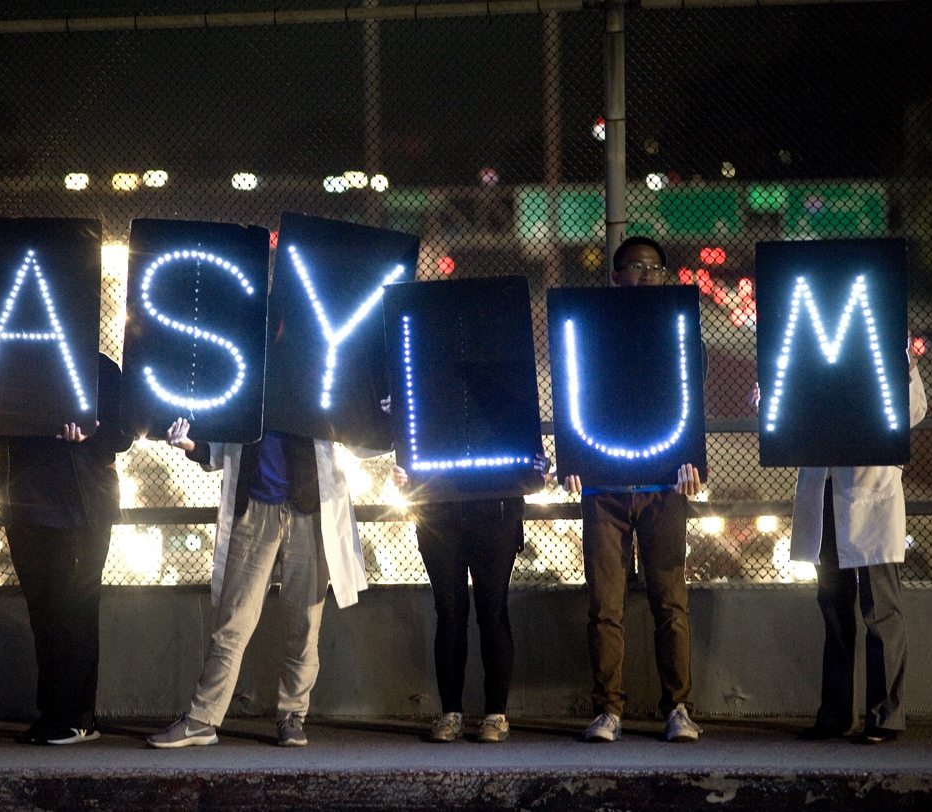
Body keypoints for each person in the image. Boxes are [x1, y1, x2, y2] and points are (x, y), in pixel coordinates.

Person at [147, 419, 381, 748]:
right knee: (232, 623)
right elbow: (220, 445)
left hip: (310, 511)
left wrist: (388, 416)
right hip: (254, 510)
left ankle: (292, 716)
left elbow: (360, 437)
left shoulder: (314, 377)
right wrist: (189, 444)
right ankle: (202, 720)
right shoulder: (254, 377)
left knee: (305, 623)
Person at [0, 325, 132, 745]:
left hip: (80, 506)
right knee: (45, 611)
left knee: (72, 609)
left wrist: (90, 433)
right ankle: (60, 715)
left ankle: (73, 717)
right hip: (28, 505)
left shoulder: (99, 369)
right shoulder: (12, 362)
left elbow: (125, 434)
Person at [563, 236, 704, 744]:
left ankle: (679, 708)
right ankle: (609, 711)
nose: (647, 274)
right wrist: (573, 462)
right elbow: (573, 389)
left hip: (665, 486)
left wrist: (692, 461)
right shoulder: (591, 329)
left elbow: (692, 400)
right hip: (603, 487)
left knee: (670, 601)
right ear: (615, 276)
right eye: (636, 266)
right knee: (605, 604)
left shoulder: (679, 330)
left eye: (655, 267)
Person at [777, 337, 927, 743]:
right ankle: (835, 714)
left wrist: (907, 365)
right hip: (824, 489)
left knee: (880, 609)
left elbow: (914, 409)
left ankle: (885, 716)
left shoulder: (886, 345)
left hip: (869, 492)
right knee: (833, 606)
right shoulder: (812, 343)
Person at [391, 453, 549, 744]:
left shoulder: (505, 408)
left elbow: (531, 463)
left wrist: (535, 467)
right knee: (451, 614)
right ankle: (452, 712)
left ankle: (495, 714)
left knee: (491, 611)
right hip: (442, 514)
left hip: (493, 513)